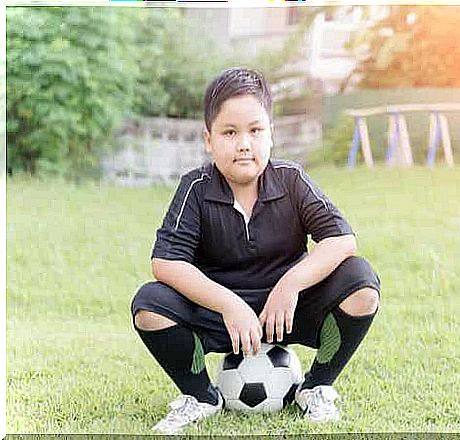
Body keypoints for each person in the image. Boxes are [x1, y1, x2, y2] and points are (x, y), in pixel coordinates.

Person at [130, 67, 380, 434]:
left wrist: (290, 285)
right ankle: (201, 396)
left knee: (361, 280)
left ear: (271, 134)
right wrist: (229, 304)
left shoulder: (291, 179)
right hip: (220, 315)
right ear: (208, 139)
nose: (244, 143)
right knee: (149, 305)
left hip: (287, 311)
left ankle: (316, 387)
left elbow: (342, 240)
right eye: (230, 132)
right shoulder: (196, 189)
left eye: (255, 130)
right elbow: (166, 262)